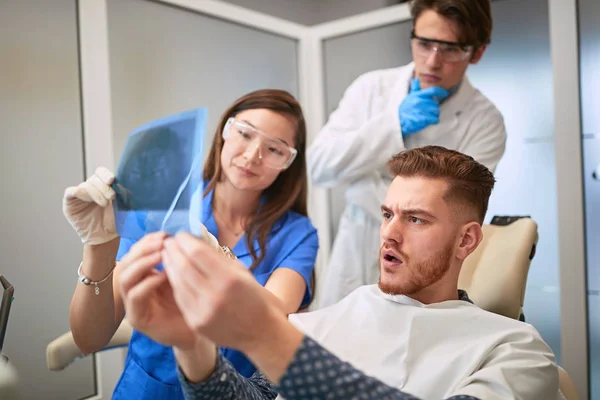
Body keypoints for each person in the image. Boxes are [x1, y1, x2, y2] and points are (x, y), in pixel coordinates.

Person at [121, 146, 558, 400]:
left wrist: (267, 335)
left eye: (416, 219)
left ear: (466, 241)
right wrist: (191, 344)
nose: (390, 233)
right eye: (387, 214)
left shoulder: (514, 350)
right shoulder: (335, 316)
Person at [62, 89, 319, 399]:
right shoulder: (166, 203)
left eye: (275, 149)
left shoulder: (297, 233)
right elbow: (89, 338)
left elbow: (274, 314)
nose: (252, 155)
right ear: (225, 130)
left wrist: (219, 259)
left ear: (289, 162)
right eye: (245, 134)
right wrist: (97, 247)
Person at [309, 0, 508, 308]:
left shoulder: (485, 121)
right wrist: (392, 126)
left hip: (423, 263)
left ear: (477, 52)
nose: (432, 61)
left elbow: (460, 204)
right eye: (425, 43)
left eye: (450, 49)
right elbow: (319, 165)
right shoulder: (371, 88)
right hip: (357, 246)